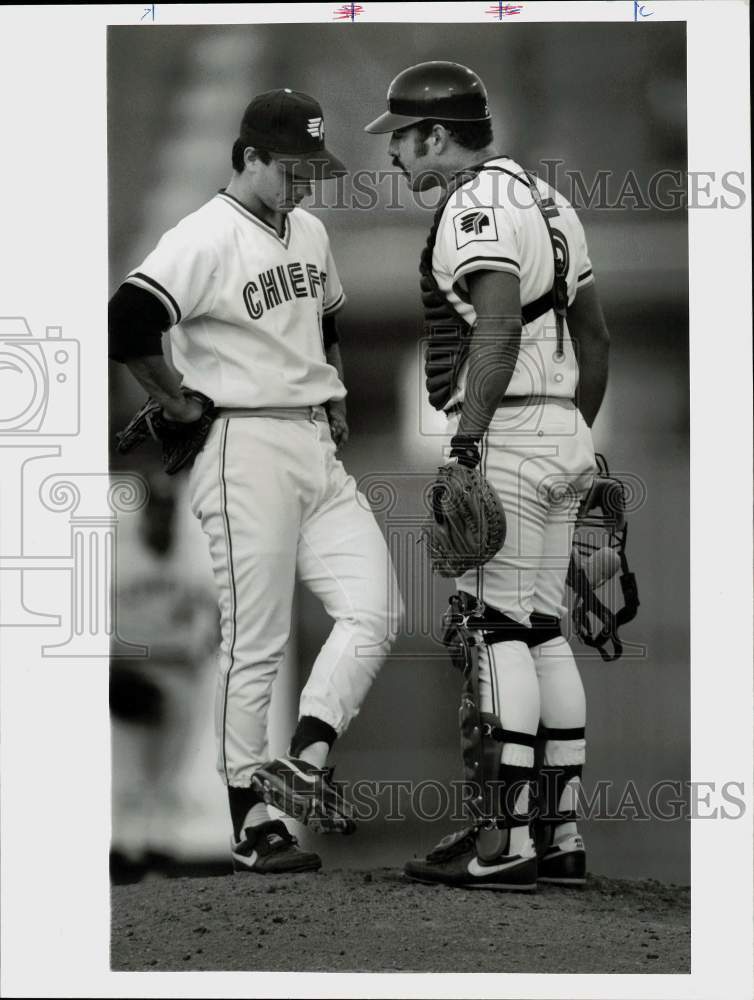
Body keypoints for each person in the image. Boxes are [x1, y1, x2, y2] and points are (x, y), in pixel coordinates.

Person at [109, 88, 402, 875]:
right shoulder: (201, 236)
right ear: (249, 157)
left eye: (312, 168)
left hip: (314, 443)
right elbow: (127, 320)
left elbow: (328, 320)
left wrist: (336, 393)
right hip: (242, 444)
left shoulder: (310, 230)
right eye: (291, 167)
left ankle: (305, 757)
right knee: (257, 639)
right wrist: (175, 398)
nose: (304, 182)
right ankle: (252, 822)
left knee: (376, 608)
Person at [365, 61, 609, 889]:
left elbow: (497, 328)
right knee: (542, 631)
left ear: (438, 135)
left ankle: (505, 846)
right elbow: (597, 338)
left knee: (494, 627)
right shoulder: (551, 200)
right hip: (563, 423)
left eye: (403, 135)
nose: (393, 151)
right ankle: (560, 836)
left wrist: (469, 443)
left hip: (508, 427)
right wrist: (576, 436)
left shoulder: (476, 203)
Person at [110, 470, 218, 883]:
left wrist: (198, 646)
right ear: (144, 513)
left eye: (168, 509)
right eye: (156, 509)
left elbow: (215, 619)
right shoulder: (119, 559)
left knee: (170, 775)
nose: (162, 517)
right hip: (133, 673)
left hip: (180, 680)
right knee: (129, 773)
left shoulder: (192, 561)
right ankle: (125, 852)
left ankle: (160, 852)